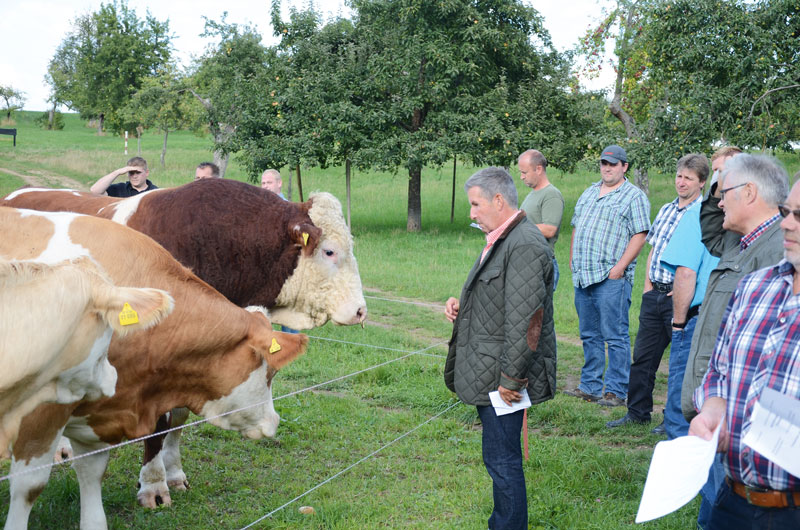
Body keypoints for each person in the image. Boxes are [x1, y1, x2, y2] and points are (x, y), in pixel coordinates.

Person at [444, 167, 556, 530]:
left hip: (502, 377)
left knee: (503, 460)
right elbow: (502, 300)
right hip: (491, 370)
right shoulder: (504, 238)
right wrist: (464, 306)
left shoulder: (524, 243)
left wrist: (511, 379)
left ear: (498, 200)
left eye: (475, 204)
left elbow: (527, 320)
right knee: (498, 457)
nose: (471, 213)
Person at [681, 153, 787, 528]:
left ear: (750, 192)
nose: (719, 200)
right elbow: (730, 357)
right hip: (730, 445)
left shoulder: (776, 253)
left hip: (772, 482)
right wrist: (712, 402)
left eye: (724, 192)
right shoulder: (742, 247)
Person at [606, 153, 707, 426]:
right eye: (679, 176)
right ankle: (637, 413)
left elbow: (703, 259)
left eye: (689, 178)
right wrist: (648, 287)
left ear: (702, 183)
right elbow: (654, 249)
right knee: (643, 359)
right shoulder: (666, 209)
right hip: (655, 295)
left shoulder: (703, 216)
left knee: (680, 365)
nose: (681, 182)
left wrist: (688, 291)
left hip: (681, 299)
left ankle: (672, 417)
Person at [564, 145, 650, 406]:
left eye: (613, 164)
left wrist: (620, 267)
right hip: (584, 275)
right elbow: (577, 227)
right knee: (589, 334)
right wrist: (572, 259)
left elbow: (640, 234)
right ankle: (589, 386)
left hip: (610, 276)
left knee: (615, 335)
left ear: (624, 167)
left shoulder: (634, 196)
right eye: (604, 163)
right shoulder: (589, 192)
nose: (607, 168)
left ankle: (616, 390)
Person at [518, 149, 564, 290]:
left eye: (524, 172)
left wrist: (515, 227)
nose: (521, 177)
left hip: (541, 264)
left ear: (538, 169)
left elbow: (550, 229)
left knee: (539, 311)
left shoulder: (551, 194)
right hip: (527, 262)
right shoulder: (533, 194)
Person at [90, 156, 158, 197]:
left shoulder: (156, 193)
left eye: (138, 173)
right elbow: (95, 191)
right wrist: (117, 172)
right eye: (131, 173)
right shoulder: (120, 189)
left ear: (147, 173)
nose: (134, 176)